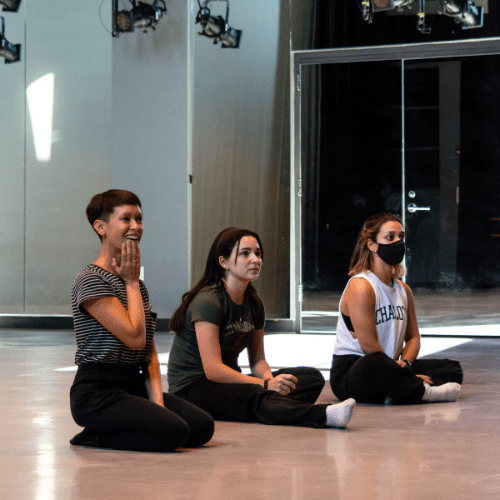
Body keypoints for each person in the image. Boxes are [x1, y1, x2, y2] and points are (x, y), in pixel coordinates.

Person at [69, 189, 214, 452]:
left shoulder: (135, 285)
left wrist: (157, 403)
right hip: (97, 394)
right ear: (100, 227)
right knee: (174, 432)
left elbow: (148, 352)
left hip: (132, 386)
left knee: (202, 427)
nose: (136, 226)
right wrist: (132, 282)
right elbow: (134, 338)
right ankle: (95, 436)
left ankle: (136, 421)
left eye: (139, 218)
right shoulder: (91, 280)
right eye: (126, 219)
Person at [168, 227, 356, 428]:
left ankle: (270, 405)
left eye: (258, 253)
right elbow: (213, 370)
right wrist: (265, 385)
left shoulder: (254, 303)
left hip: (227, 384)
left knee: (311, 378)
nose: (255, 259)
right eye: (245, 254)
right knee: (254, 394)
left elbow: (258, 360)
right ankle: (323, 415)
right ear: (224, 262)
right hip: (192, 388)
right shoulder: (209, 301)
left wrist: (270, 380)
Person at [330, 213, 463, 405]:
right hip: (355, 369)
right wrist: (398, 370)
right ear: (372, 245)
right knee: (374, 363)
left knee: (452, 369)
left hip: (392, 365)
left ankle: (400, 388)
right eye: (390, 237)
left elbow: (413, 338)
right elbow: (368, 347)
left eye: (401, 237)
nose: (398, 242)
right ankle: (419, 391)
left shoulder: (403, 290)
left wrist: (406, 364)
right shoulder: (361, 286)